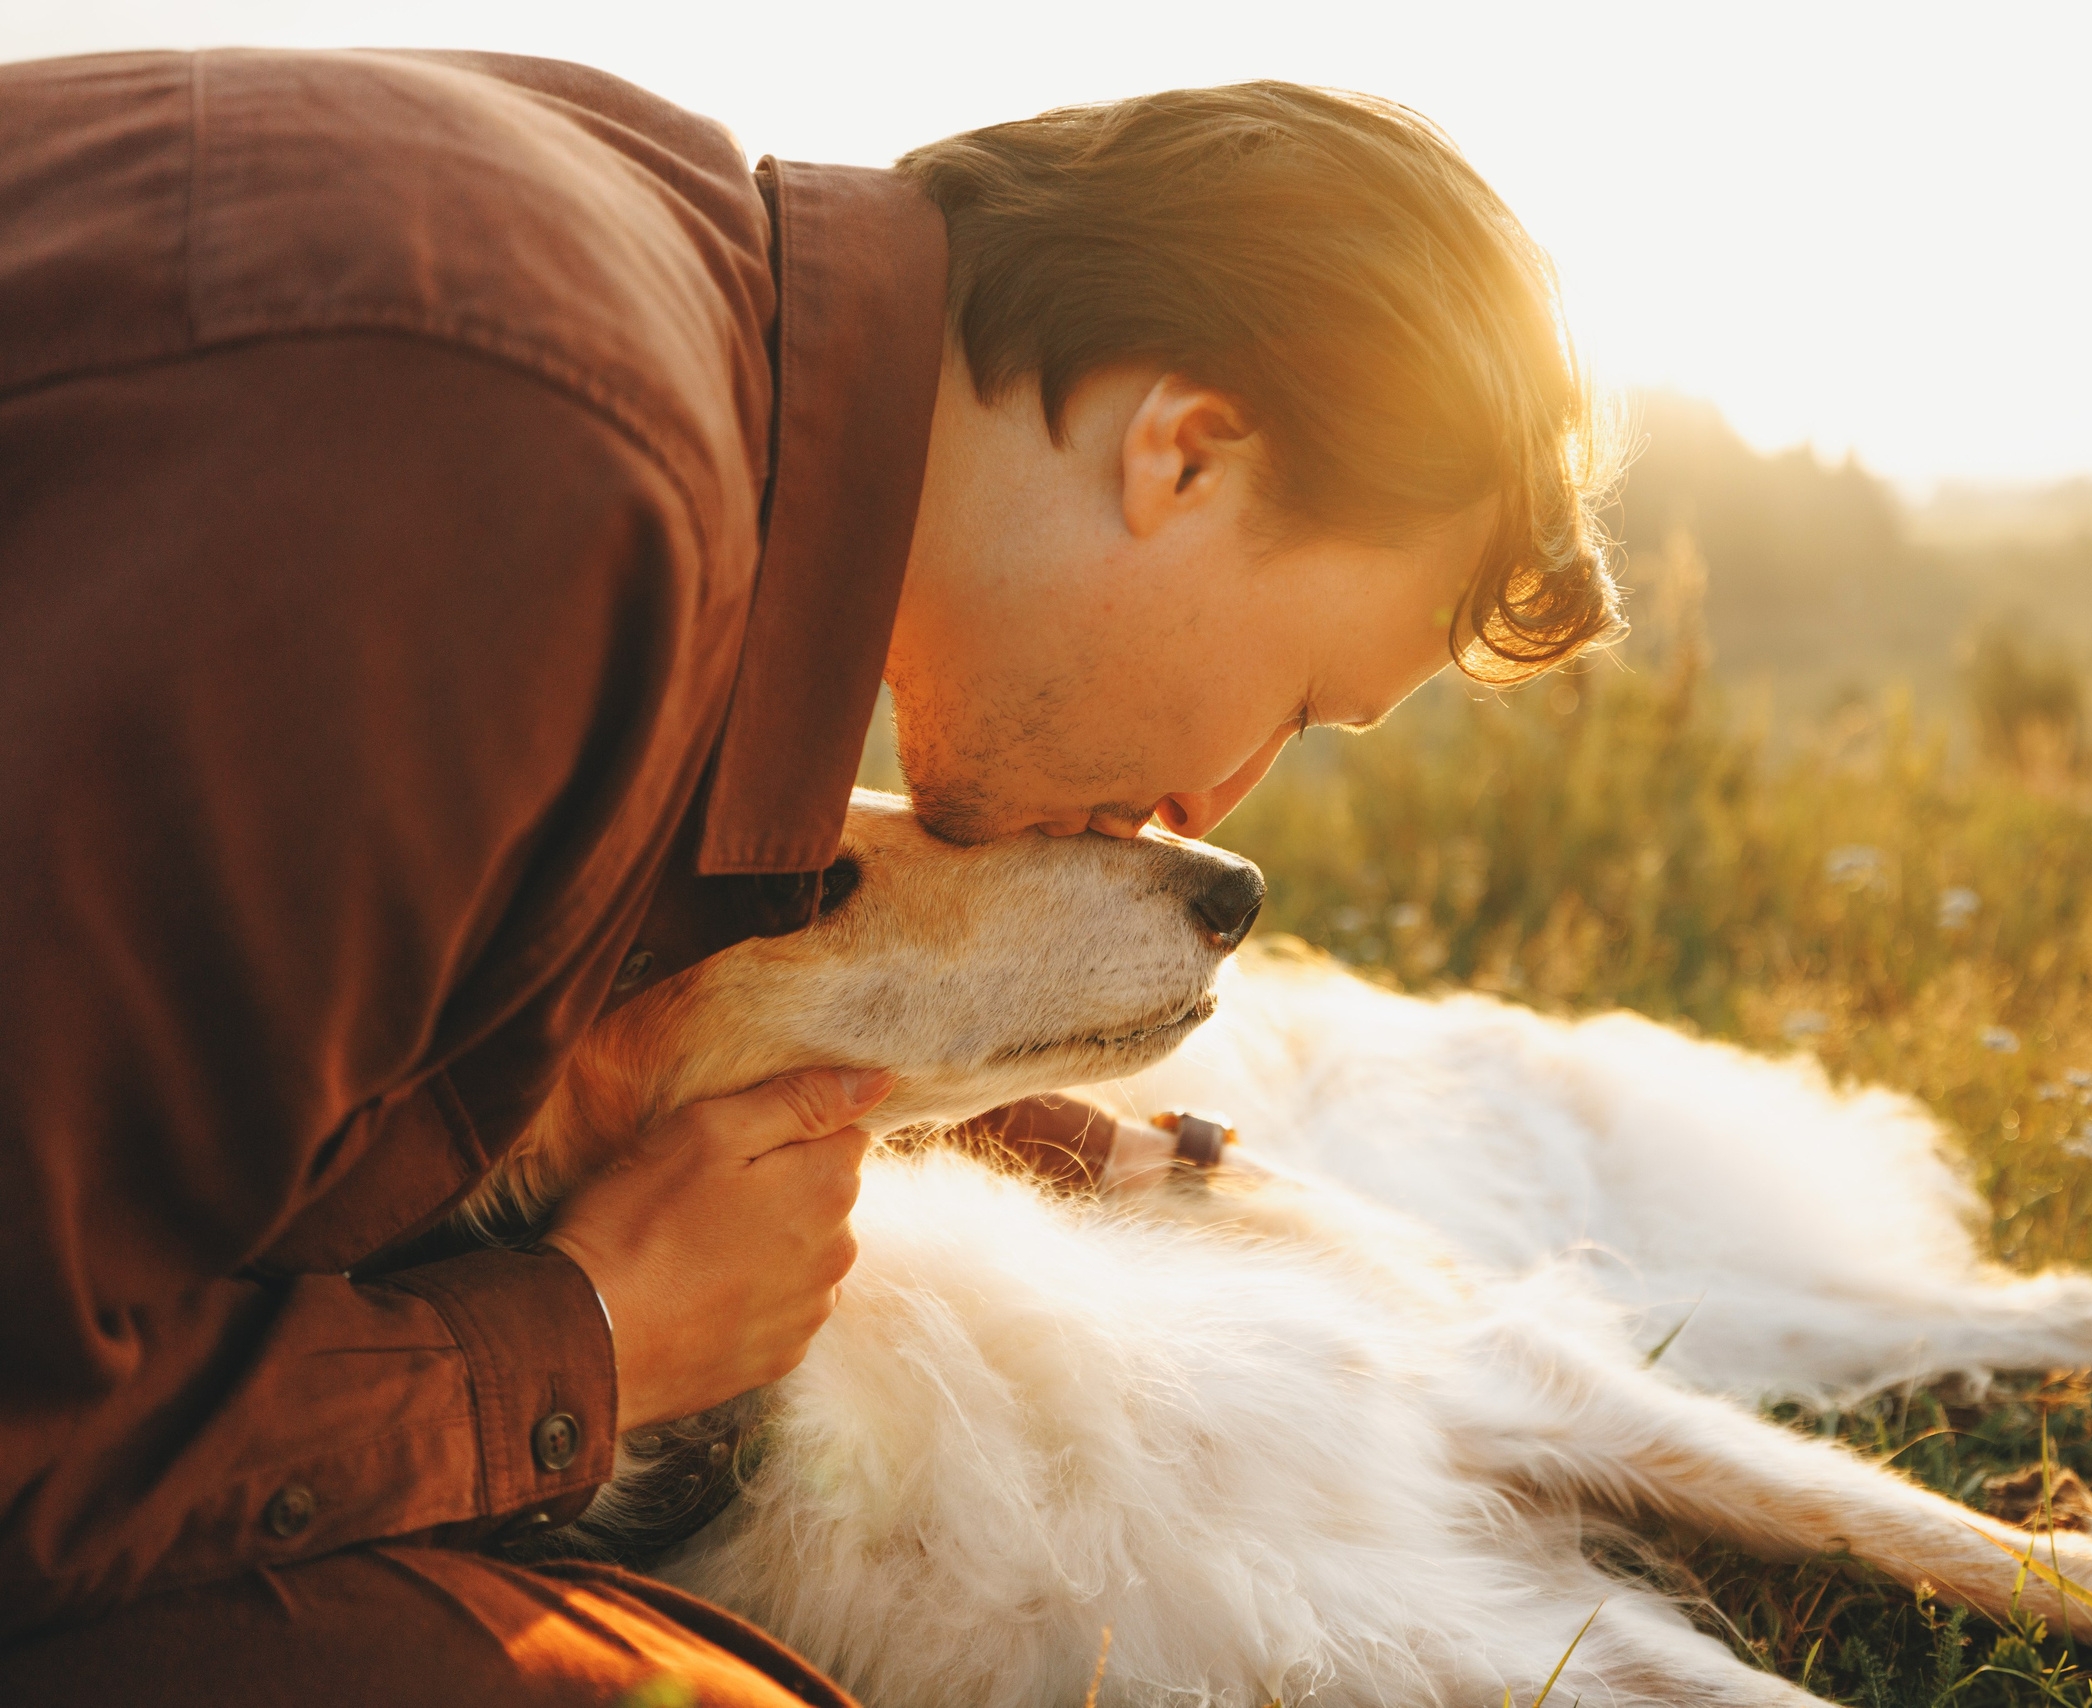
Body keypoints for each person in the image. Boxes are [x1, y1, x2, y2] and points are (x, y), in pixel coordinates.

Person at [0, 45, 1619, 1706]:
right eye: (1294, 703)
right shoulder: (538, 487)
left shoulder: (650, 293)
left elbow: (570, 968)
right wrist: (592, 1341)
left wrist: (1095, 1143)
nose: (1216, 799)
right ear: (1184, 455)